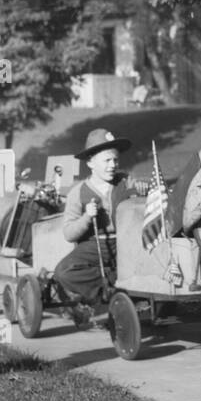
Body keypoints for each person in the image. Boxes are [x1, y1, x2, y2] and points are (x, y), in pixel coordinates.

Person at [52, 128, 148, 313]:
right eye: (107, 161)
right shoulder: (78, 192)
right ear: (90, 162)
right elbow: (69, 233)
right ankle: (107, 293)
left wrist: (144, 192)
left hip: (126, 243)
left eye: (115, 160)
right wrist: (87, 217)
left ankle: (137, 295)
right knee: (63, 272)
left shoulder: (126, 181)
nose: (113, 165)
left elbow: (142, 203)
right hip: (94, 247)